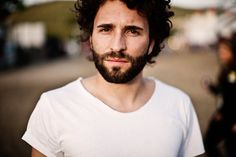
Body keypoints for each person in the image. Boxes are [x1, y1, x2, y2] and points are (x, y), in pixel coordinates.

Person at [22, 0, 205, 156]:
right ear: (91, 39)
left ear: (151, 44)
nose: (117, 46)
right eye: (106, 29)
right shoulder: (54, 106)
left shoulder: (179, 104)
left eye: (132, 31)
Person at [204, 32, 236, 157]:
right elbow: (223, 92)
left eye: (225, 50)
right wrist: (211, 87)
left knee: (230, 148)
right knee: (209, 143)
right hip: (223, 115)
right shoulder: (226, 68)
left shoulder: (234, 70)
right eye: (220, 50)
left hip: (231, 118)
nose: (221, 53)